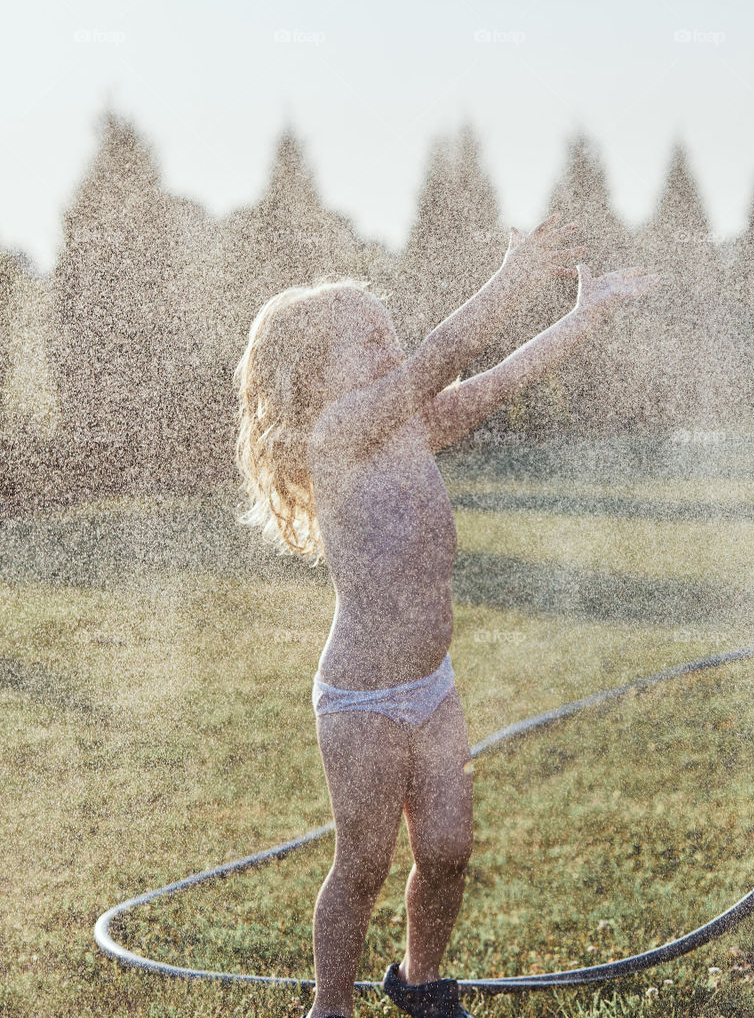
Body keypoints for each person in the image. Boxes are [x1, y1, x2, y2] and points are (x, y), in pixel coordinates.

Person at [234, 214, 658, 1018]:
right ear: (312, 376)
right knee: (361, 863)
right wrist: (511, 276)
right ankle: (330, 1008)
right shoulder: (337, 435)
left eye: (383, 329)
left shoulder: (410, 431)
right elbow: (438, 359)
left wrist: (579, 317)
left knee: (448, 850)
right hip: (362, 700)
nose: (386, 345)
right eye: (361, 341)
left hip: (432, 686)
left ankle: (421, 983)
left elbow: (494, 379)